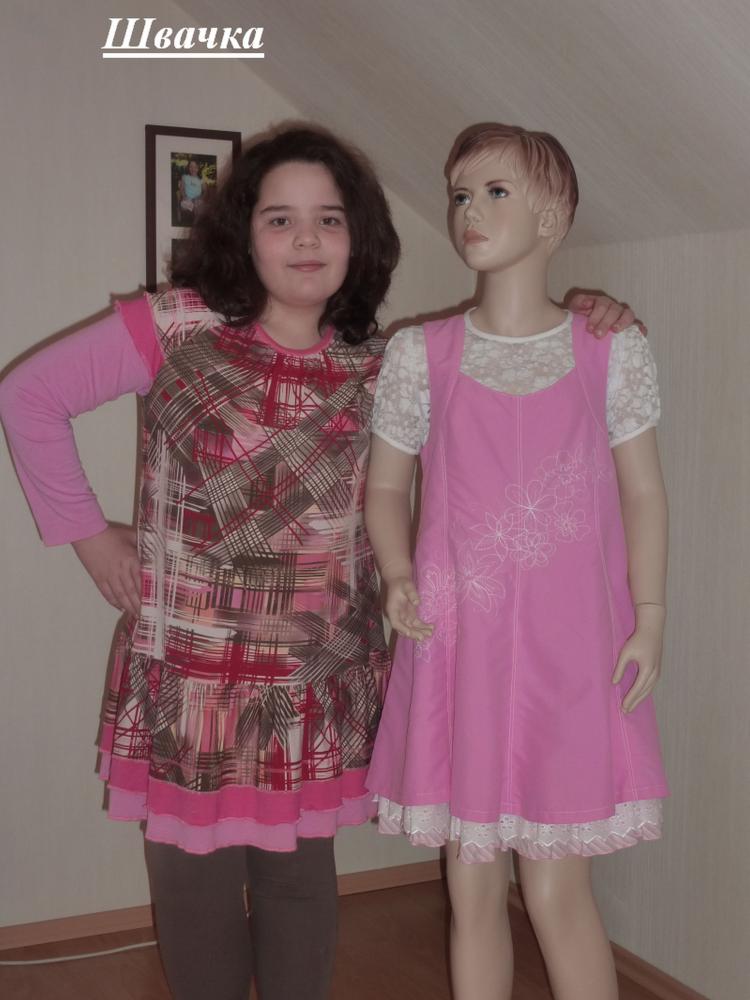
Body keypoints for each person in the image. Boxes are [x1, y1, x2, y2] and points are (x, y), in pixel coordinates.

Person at [0, 120, 642, 1000]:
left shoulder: (384, 362)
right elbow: (28, 397)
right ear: (244, 232)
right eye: (280, 219)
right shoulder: (175, 327)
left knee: (301, 893)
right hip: (193, 684)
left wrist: (593, 318)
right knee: (195, 901)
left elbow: (503, 384)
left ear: (358, 236)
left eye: (329, 219)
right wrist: (86, 534)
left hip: (314, 684)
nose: (306, 239)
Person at [365, 123, 669, 1000]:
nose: (469, 209)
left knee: (556, 890)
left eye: (496, 191)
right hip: (458, 641)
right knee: (471, 889)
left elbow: (644, 493)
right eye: (461, 193)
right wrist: (397, 574)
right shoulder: (421, 357)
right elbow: (386, 487)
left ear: (553, 216)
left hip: (573, 654)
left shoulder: (610, 350)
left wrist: (651, 615)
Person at [178, 159, 205, 223]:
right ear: (188, 168)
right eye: (191, 167)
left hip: (197, 200)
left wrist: (200, 197)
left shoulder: (201, 180)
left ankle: (196, 221)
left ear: (198, 168)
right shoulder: (185, 177)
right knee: (184, 206)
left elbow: (205, 191)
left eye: (195, 167)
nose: (193, 169)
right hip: (187, 199)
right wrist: (184, 197)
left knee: (200, 207)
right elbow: (182, 189)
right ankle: (193, 220)